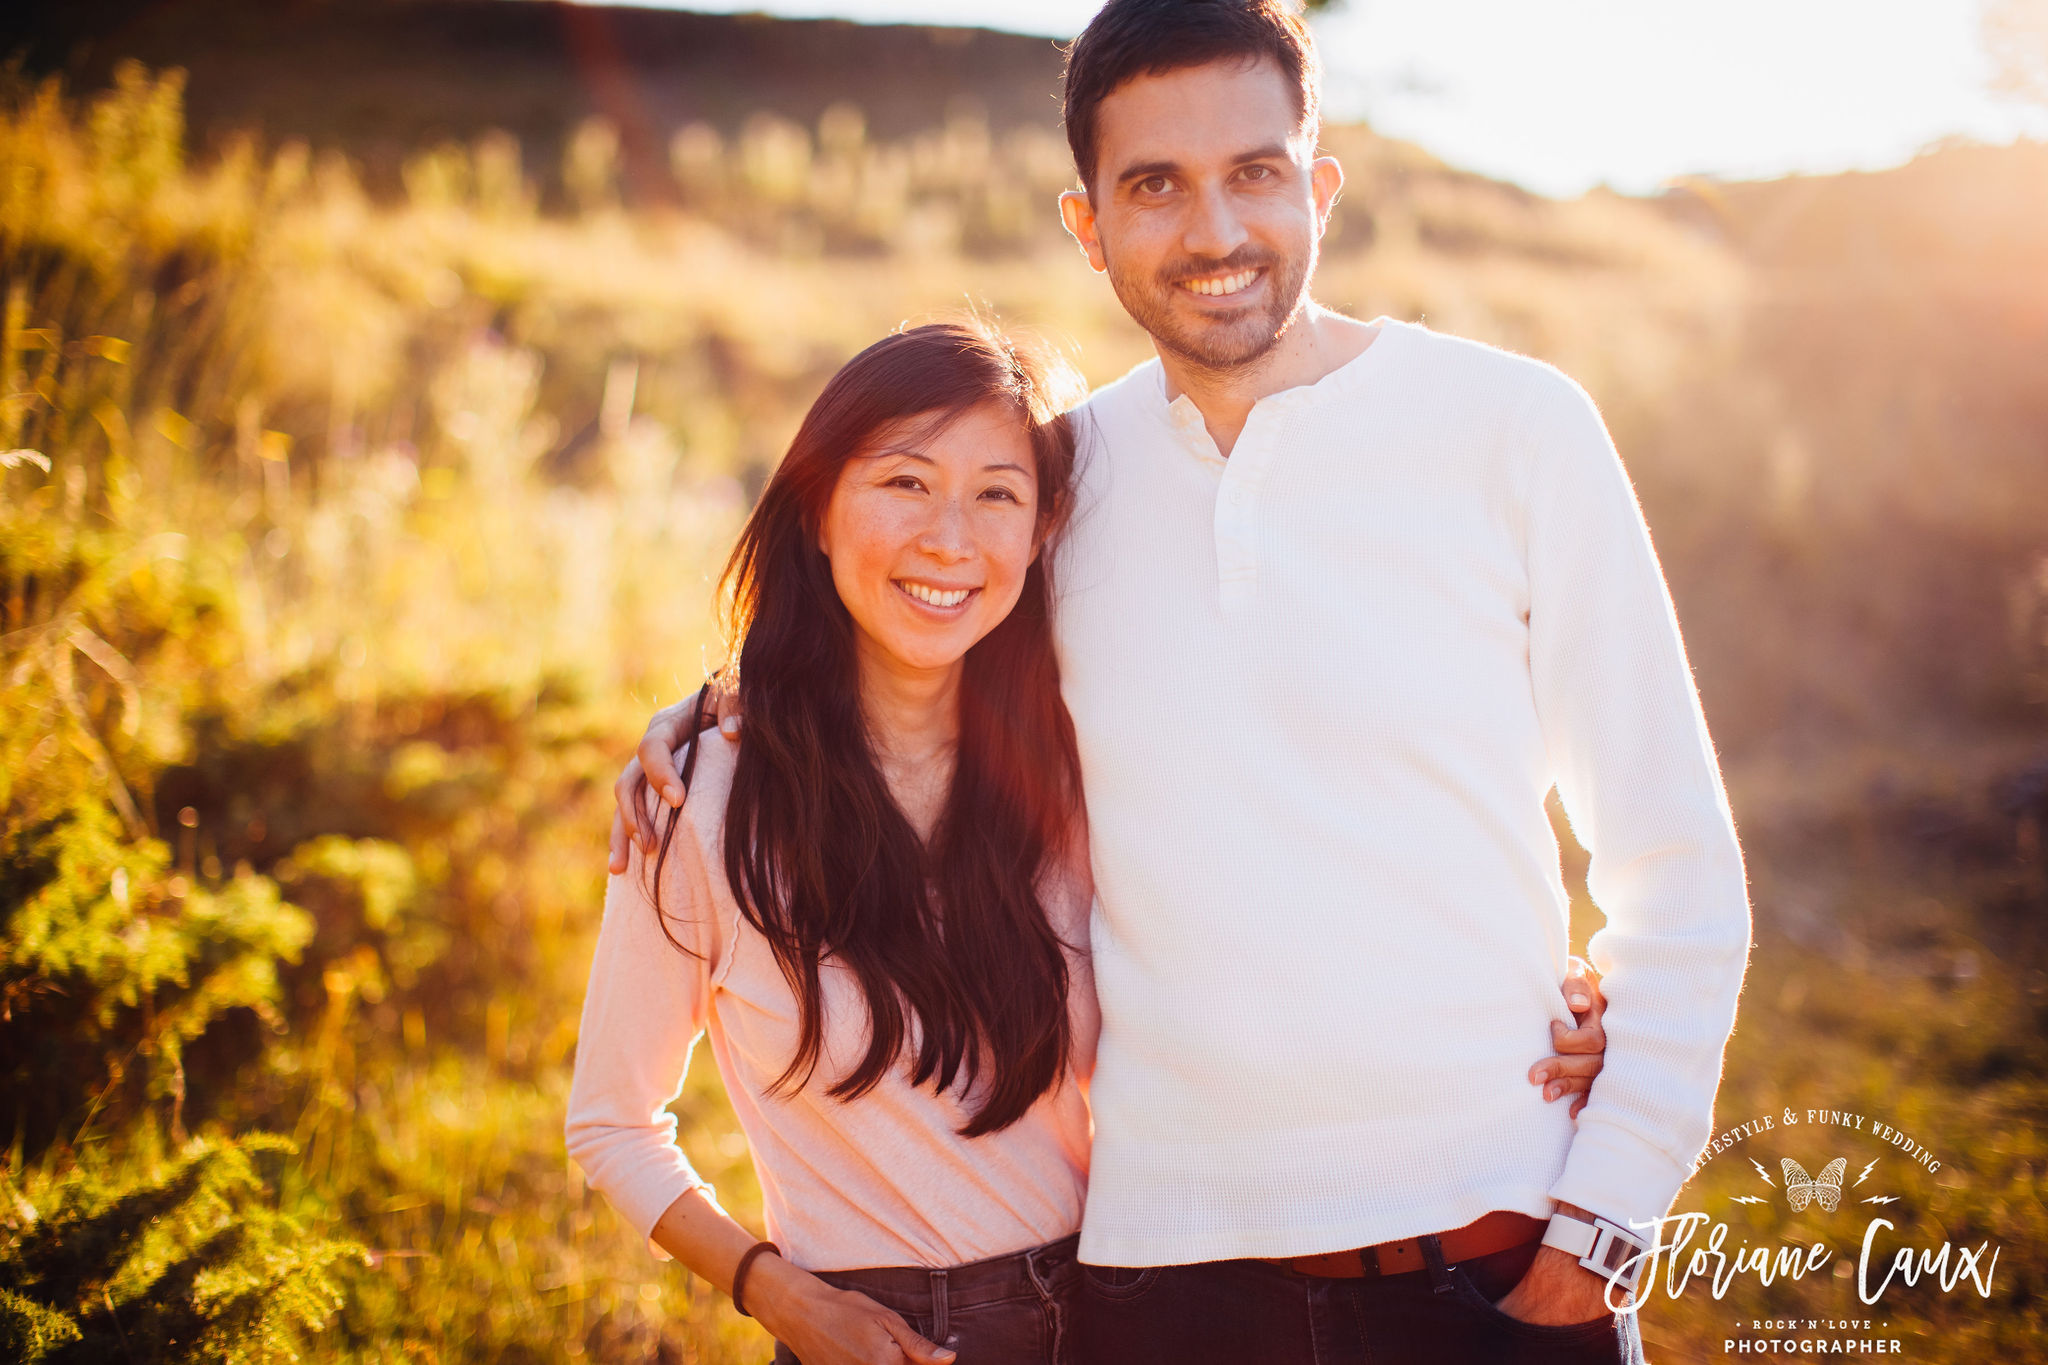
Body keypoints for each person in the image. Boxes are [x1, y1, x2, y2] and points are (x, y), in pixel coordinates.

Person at [620, 2, 1757, 1362]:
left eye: (1254, 173)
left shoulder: (1515, 432)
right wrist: (710, 720)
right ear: (1087, 226)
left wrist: (1601, 1234)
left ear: (1318, 185)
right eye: (1155, 185)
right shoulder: (1055, 484)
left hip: (1497, 1267)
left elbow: (1679, 865)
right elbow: (895, 632)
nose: (1214, 231)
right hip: (1169, 1293)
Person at [570, 316, 1613, 1365]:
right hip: (868, 1334)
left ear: (1041, 533)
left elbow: (1296, 894)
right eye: (903, 483)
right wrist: (776, 1293)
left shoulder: (1073, 778)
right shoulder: (702, 797)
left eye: (996, 495)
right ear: (818, 510)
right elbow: (612, 1122)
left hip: (1126, 1314)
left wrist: (1522, 995)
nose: (950, 537)